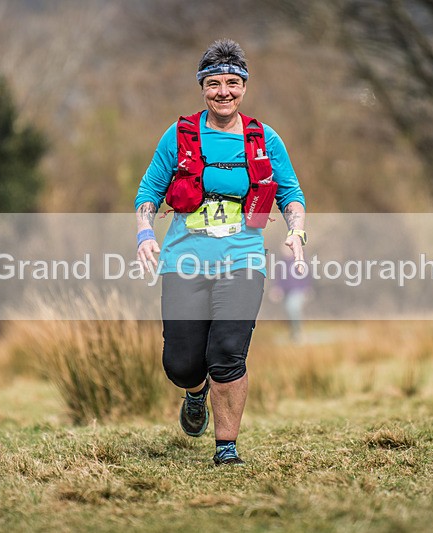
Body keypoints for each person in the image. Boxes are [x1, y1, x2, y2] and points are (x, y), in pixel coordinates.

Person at [134, 39, 306, 465]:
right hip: (184, 260)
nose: (223, 92)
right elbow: (149, 191)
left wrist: (296, 231)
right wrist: (145, 233)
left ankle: (226, 447)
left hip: (243, 259)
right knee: (181, 364)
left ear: (244, 86)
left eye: (232, 83)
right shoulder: (179, 136)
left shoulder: (264, 139)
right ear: (202, 87)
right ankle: (195, 393)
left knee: (227, 354)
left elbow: (291, 194)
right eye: (214, 84)